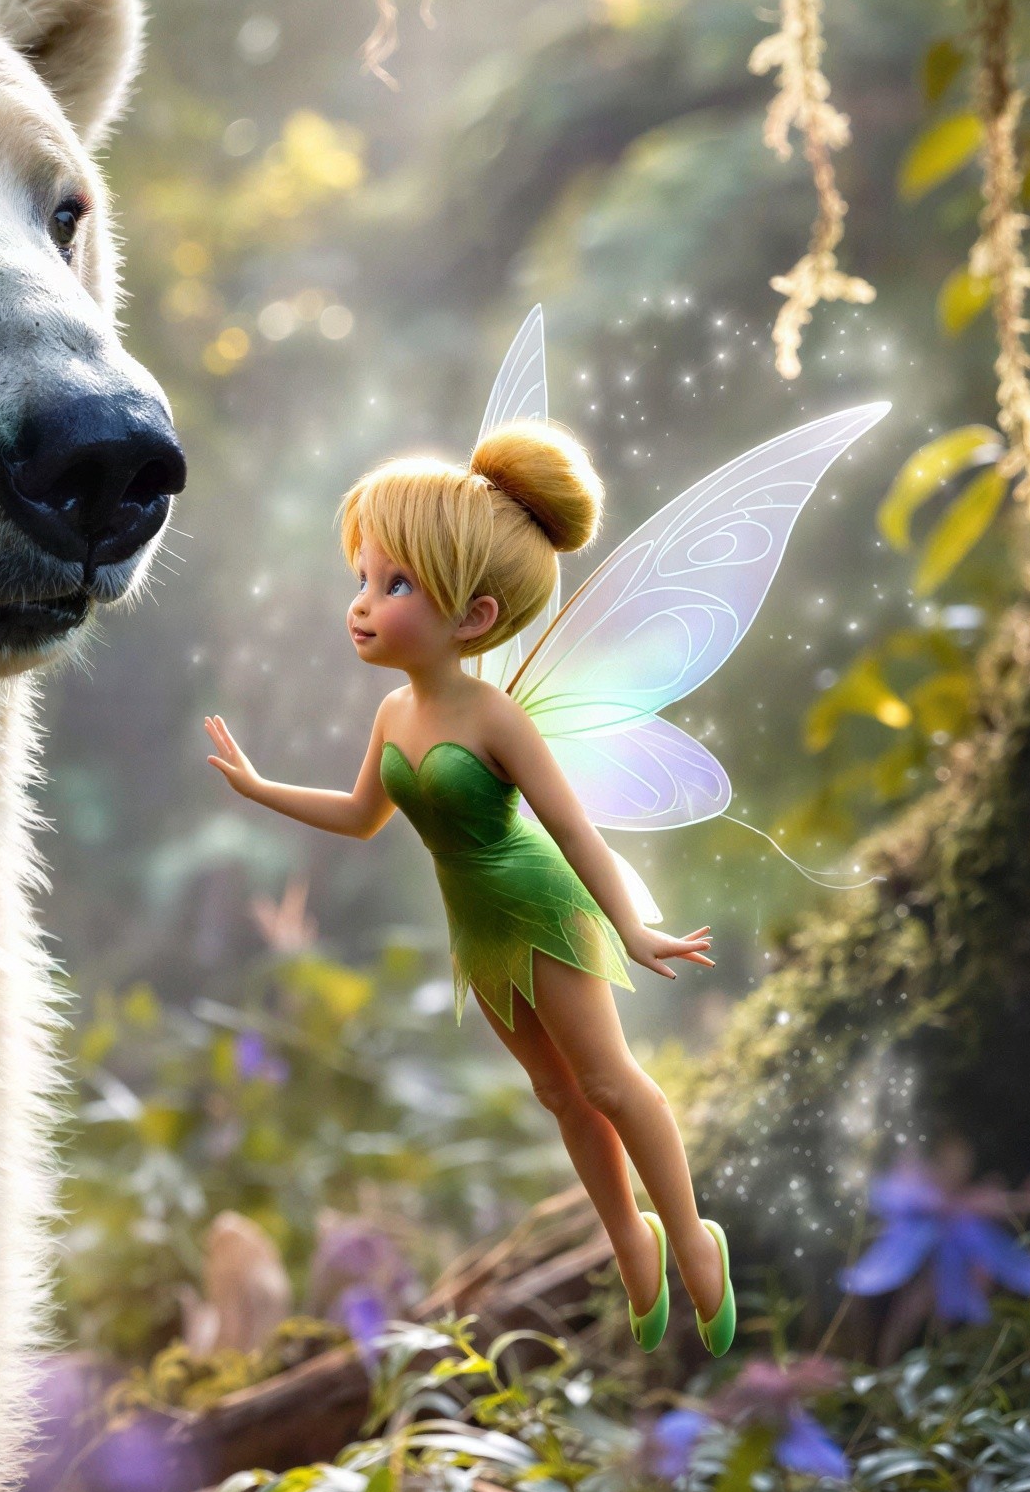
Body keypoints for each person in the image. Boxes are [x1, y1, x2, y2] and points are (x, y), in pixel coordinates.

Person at [199, 422, 735, 1355]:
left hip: (538, 907)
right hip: (476, 929)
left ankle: (692, 1235)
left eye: (394, 585)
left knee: (608, 1079)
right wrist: (260, 786)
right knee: (559, 1096)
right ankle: (629, 1238)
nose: (362, 606)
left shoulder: (495, 718)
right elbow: (362, 815)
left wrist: (634, 928)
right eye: (364, 580)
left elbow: (572, 829)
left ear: (474, 618)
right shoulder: (393, 712)